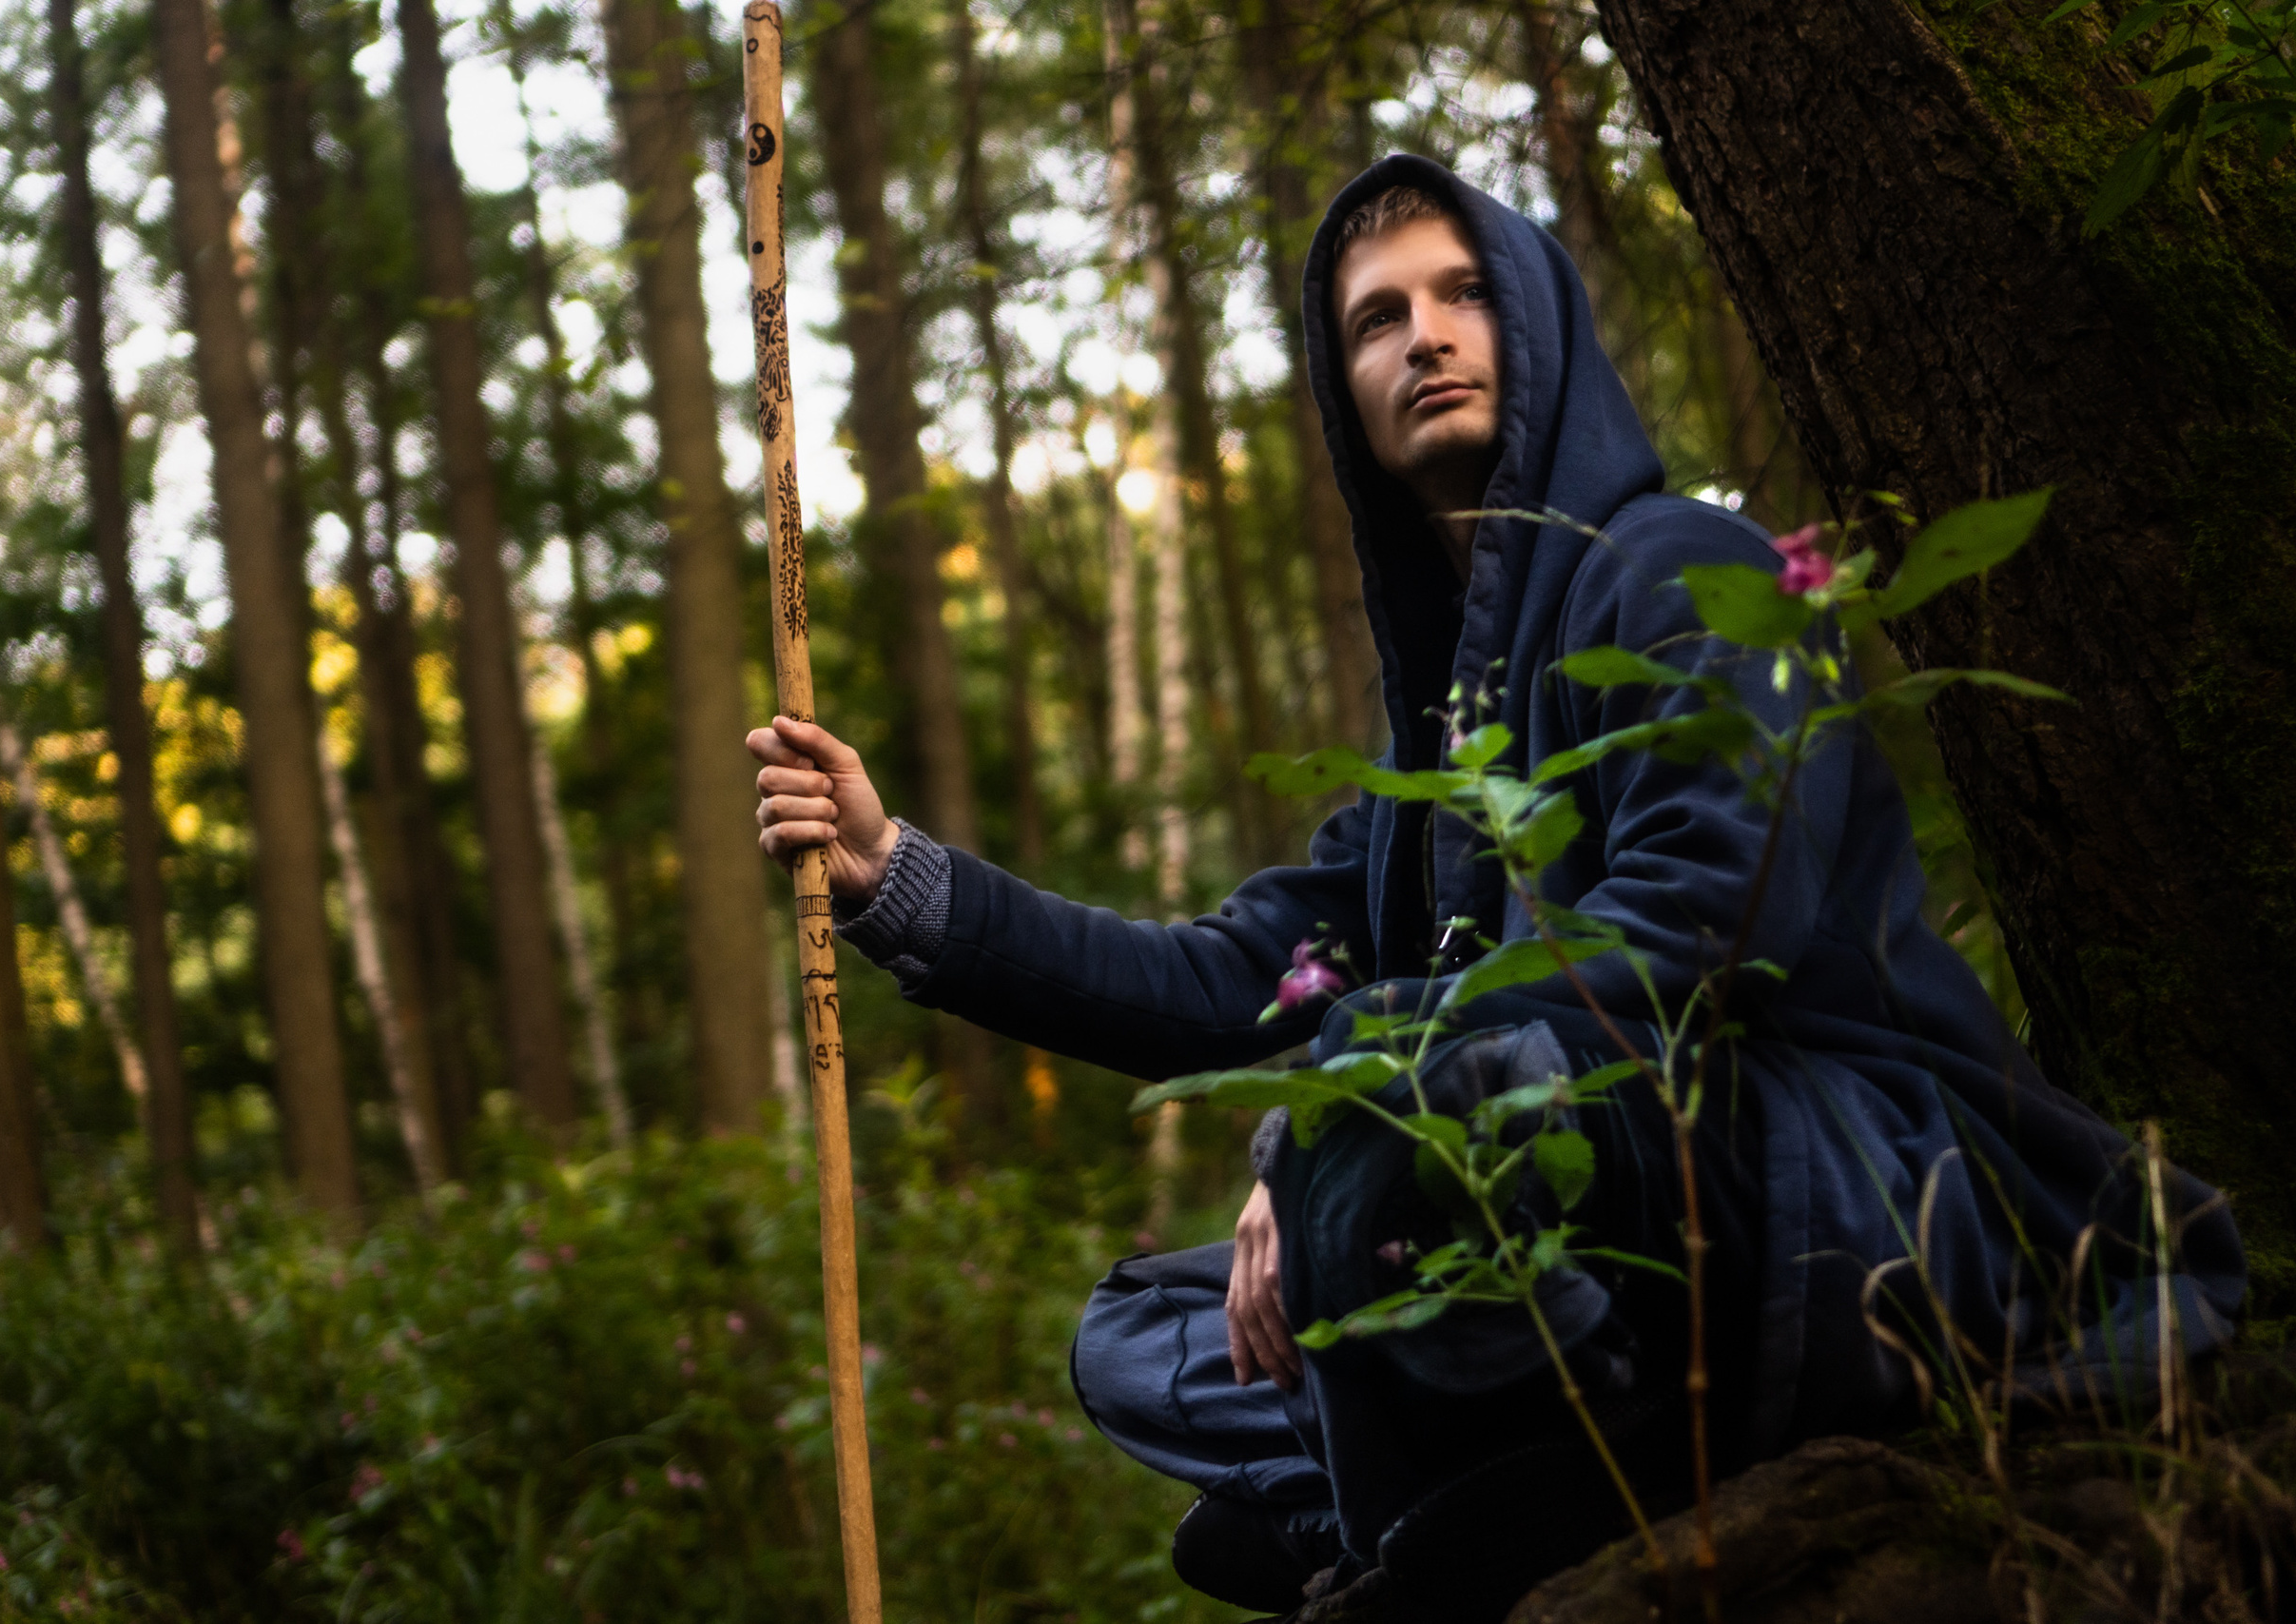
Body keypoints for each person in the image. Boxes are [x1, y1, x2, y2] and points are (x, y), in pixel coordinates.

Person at [747, 156, 2245, 1621]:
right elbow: (1219, 984)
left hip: (1831, 1188)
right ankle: (1518, 1473)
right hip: (1579, 1231)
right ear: (1348, 390)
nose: (1428, 334)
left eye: (1464, 292)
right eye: (1378, 317)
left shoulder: (1680, 568)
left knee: (1407, 1129)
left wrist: (1358, 1098)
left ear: (1537, 325)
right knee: (1133, 1333)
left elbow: (1714, 920)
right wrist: (893, 876)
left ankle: (1430, 1502)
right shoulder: (1437, 759)